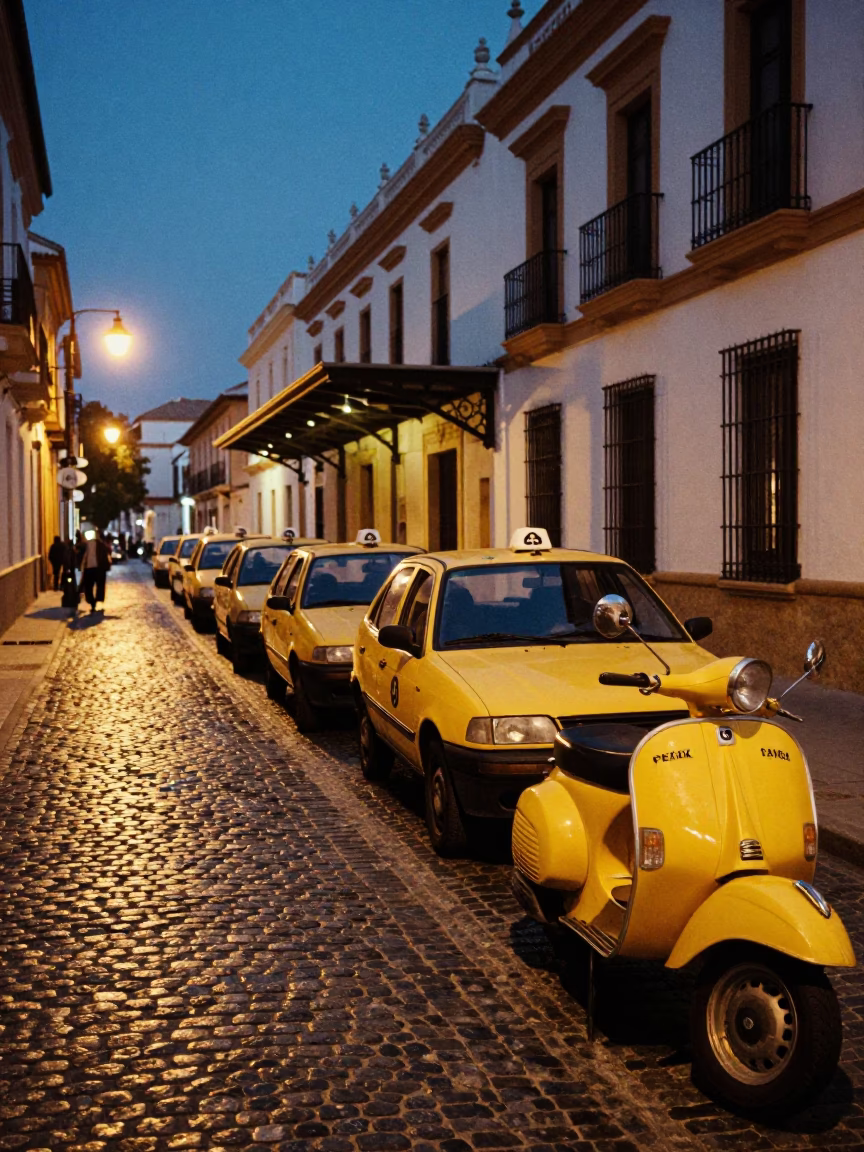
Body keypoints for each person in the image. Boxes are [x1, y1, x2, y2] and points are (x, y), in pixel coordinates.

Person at [79, 529, 112, 613]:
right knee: (90, 587)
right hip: (92, 569)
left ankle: (95, 601)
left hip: (95, 568)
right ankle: (93, 601)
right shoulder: (88, 545)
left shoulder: (100, 545)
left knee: (93, 586)